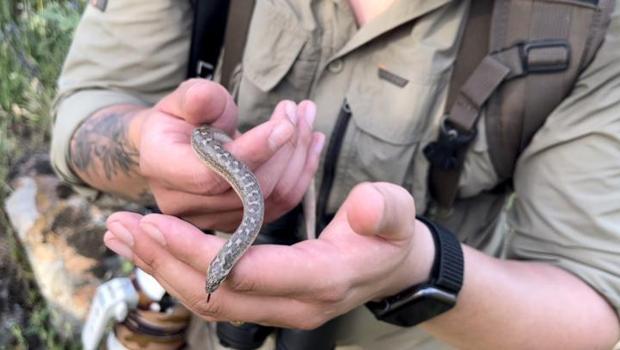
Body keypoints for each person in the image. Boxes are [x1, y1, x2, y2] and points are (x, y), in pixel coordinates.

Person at [51, 0, 620, 349]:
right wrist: (143, 145)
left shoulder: (594, 22)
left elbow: (593, 295)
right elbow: (87, 109)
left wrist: (415, 267)